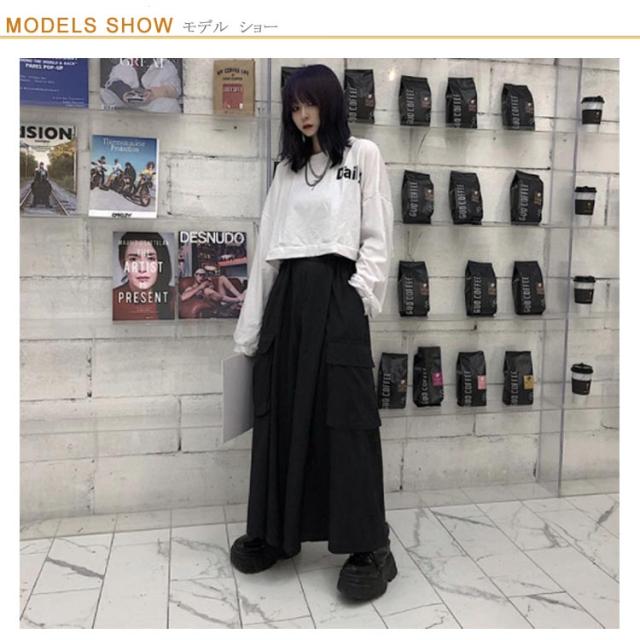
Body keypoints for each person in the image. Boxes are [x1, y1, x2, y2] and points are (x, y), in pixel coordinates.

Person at [230, 64, 396, 601]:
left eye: (311, 102)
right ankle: (279, 533)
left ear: (330, 102)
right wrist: (250, 331)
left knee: (347, 419)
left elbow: (377, 234)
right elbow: (267, 252)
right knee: (280, 414)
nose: (303, 114)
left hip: (338, 294)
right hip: (289, 299)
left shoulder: (363, 155)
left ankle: (369, 546)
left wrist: (357, 295)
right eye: (294, 106)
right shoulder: (287, 169)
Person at [112, 232, 175, 321]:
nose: (142, 269)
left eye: (151, 259)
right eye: (133, 259)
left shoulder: (175, 297)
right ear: (123, 264)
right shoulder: (112, 300)